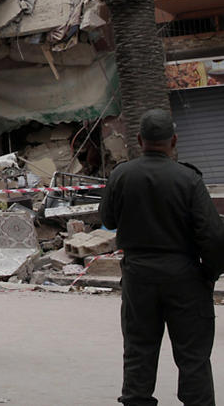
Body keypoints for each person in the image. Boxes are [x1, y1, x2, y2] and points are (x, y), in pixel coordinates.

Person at [100, 109, 224, 406]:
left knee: (139, 351)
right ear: (174, 140)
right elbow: (213, 235)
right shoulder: (189, 179)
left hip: (138, 275)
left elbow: (107, 219)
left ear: (140, 140)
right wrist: (210, 274)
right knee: (193, 356)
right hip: (184, 275)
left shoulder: (121, 175)